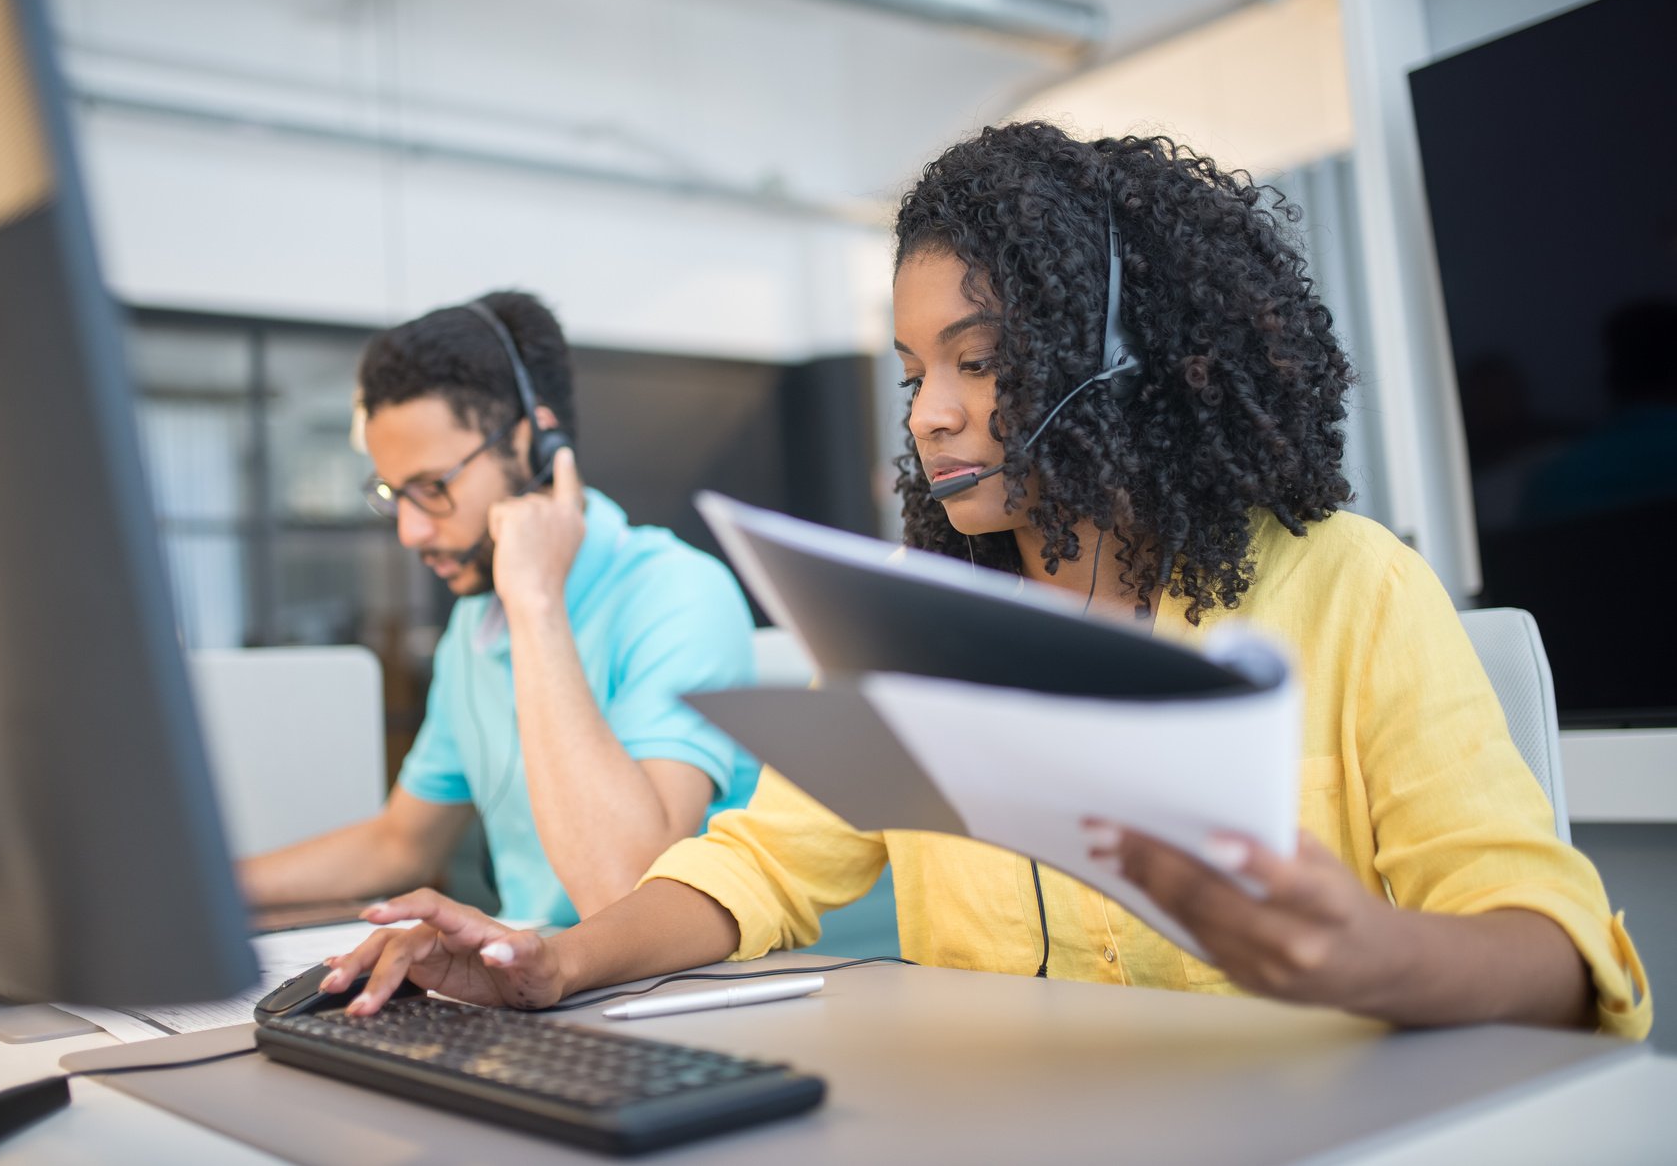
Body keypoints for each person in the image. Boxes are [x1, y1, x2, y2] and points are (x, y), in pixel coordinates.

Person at [318, 126, 1650, 1039]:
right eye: (912, 376)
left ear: (1123, 351)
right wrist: (547, 961)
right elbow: (756, 867)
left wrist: (1372, 955)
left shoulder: (1352, 588)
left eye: (980, 359)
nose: (931, 417)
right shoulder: (918, 626)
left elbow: (1551, 947)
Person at [238, 292, 761, 926]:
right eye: (394, 494)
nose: (409, 532)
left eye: (433, 488)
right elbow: (402, 841)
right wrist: (210, 886)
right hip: (534, 984)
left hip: (664, 994)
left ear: (534, 442)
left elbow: (629, 891)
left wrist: (536, 603)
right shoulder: (475, 623)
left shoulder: (679, 594)